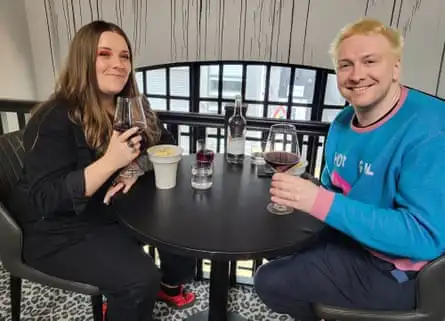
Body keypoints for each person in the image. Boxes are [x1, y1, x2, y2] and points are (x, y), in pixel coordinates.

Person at [254, 17, 445, 321]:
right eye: (345, 65)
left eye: (370, 61)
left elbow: (424, 238)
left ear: (395, 67)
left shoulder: (432, 127)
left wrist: (317, 200)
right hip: (349, 238)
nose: (357, 75)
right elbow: (333, 190)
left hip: (398, 270)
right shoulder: (342, 124)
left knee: (268, 281)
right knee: (268, 243)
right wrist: (308, 192)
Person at [6, 20, 196, 321]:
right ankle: (131, 296)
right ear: (83, 59)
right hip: (56, 231)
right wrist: (111, 161)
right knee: (138, 279)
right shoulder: (54, 117)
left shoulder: (131, 105)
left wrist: (134, 167)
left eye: (125, 56)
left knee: (183, 226)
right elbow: (47, 199)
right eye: (104, 54)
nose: (118, 64)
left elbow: (166, 143)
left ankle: (168, 285)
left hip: (107, 210)